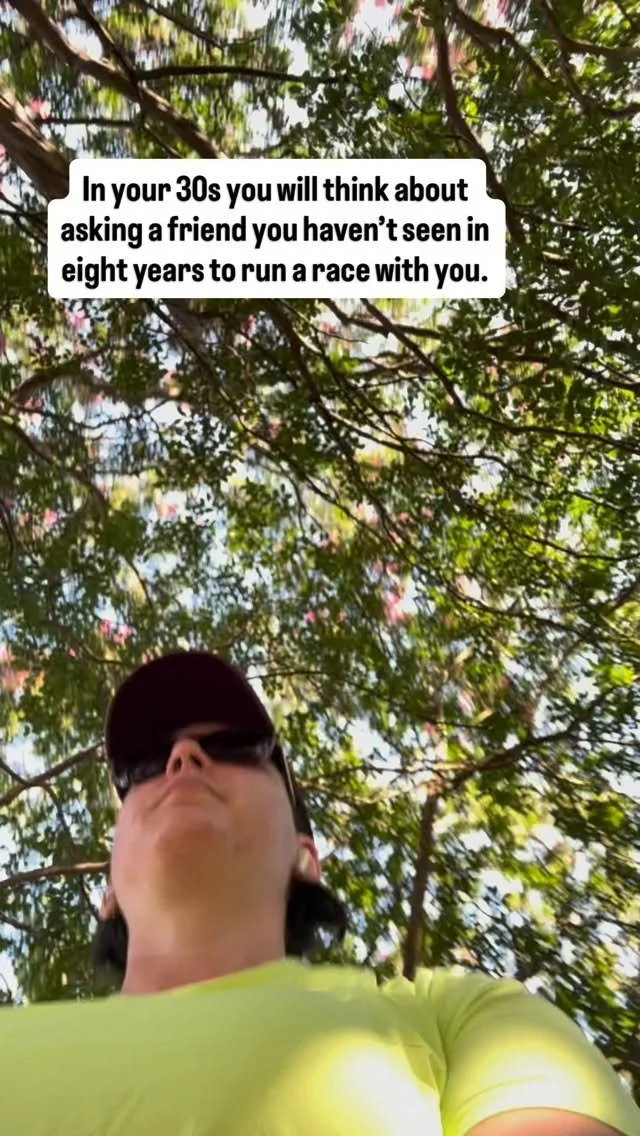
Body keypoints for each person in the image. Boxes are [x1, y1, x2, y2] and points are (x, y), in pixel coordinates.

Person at [2, 651, 639, 1136]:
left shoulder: (457, 1018)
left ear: (306, 859)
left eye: (235, 749)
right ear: (108, 894)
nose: (185, 756)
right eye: (143, 766)